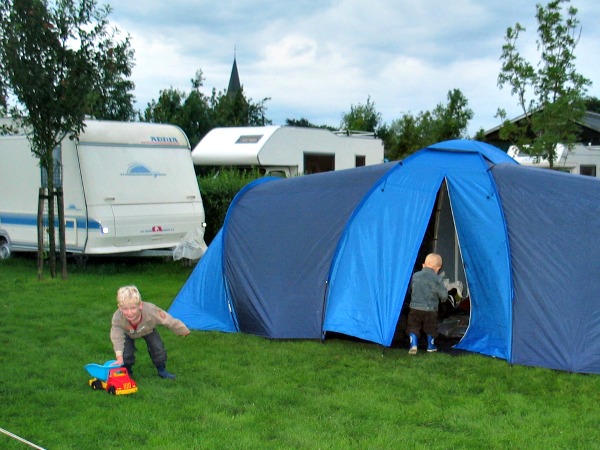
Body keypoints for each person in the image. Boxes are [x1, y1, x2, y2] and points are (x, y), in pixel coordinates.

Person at [110, 285, 190, 379]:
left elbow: (167, 319)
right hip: (127, 332)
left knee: (157, 347)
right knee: (126, 352)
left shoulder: (151, 310)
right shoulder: (117, 317)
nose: (129, 312)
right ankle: (127, 371)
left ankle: (162, 370)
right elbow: (117, 336)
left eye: (133, 308)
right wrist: (119, 355)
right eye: (125, 309)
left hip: (148, 329)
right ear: (119, 308)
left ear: (140, 305)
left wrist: (182, 330)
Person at [406, 253, 448, 355]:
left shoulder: (415, 276)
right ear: (438, 268)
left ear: (423, 265)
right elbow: (444, 296)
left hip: (415, 308)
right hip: (431, 310)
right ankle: (430, 346)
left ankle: (413, 344)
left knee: (413, 326)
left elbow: (410, 290)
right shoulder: (437, 279)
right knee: (431, 328)